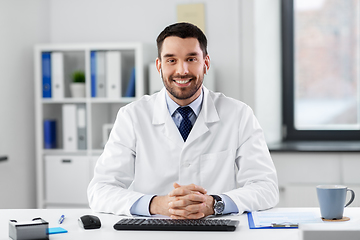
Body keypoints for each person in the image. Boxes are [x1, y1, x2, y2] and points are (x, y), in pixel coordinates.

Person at [88, 22, 279, 219]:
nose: (182, 70)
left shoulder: (239, 115)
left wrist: (215, 204)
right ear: (159, 66)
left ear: (205, 63)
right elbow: (100, 190)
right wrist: (158, 204)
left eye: (191, 59)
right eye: (171, 60)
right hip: (152, 231)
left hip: (216, 230)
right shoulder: (132, 116)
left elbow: (266, 187)